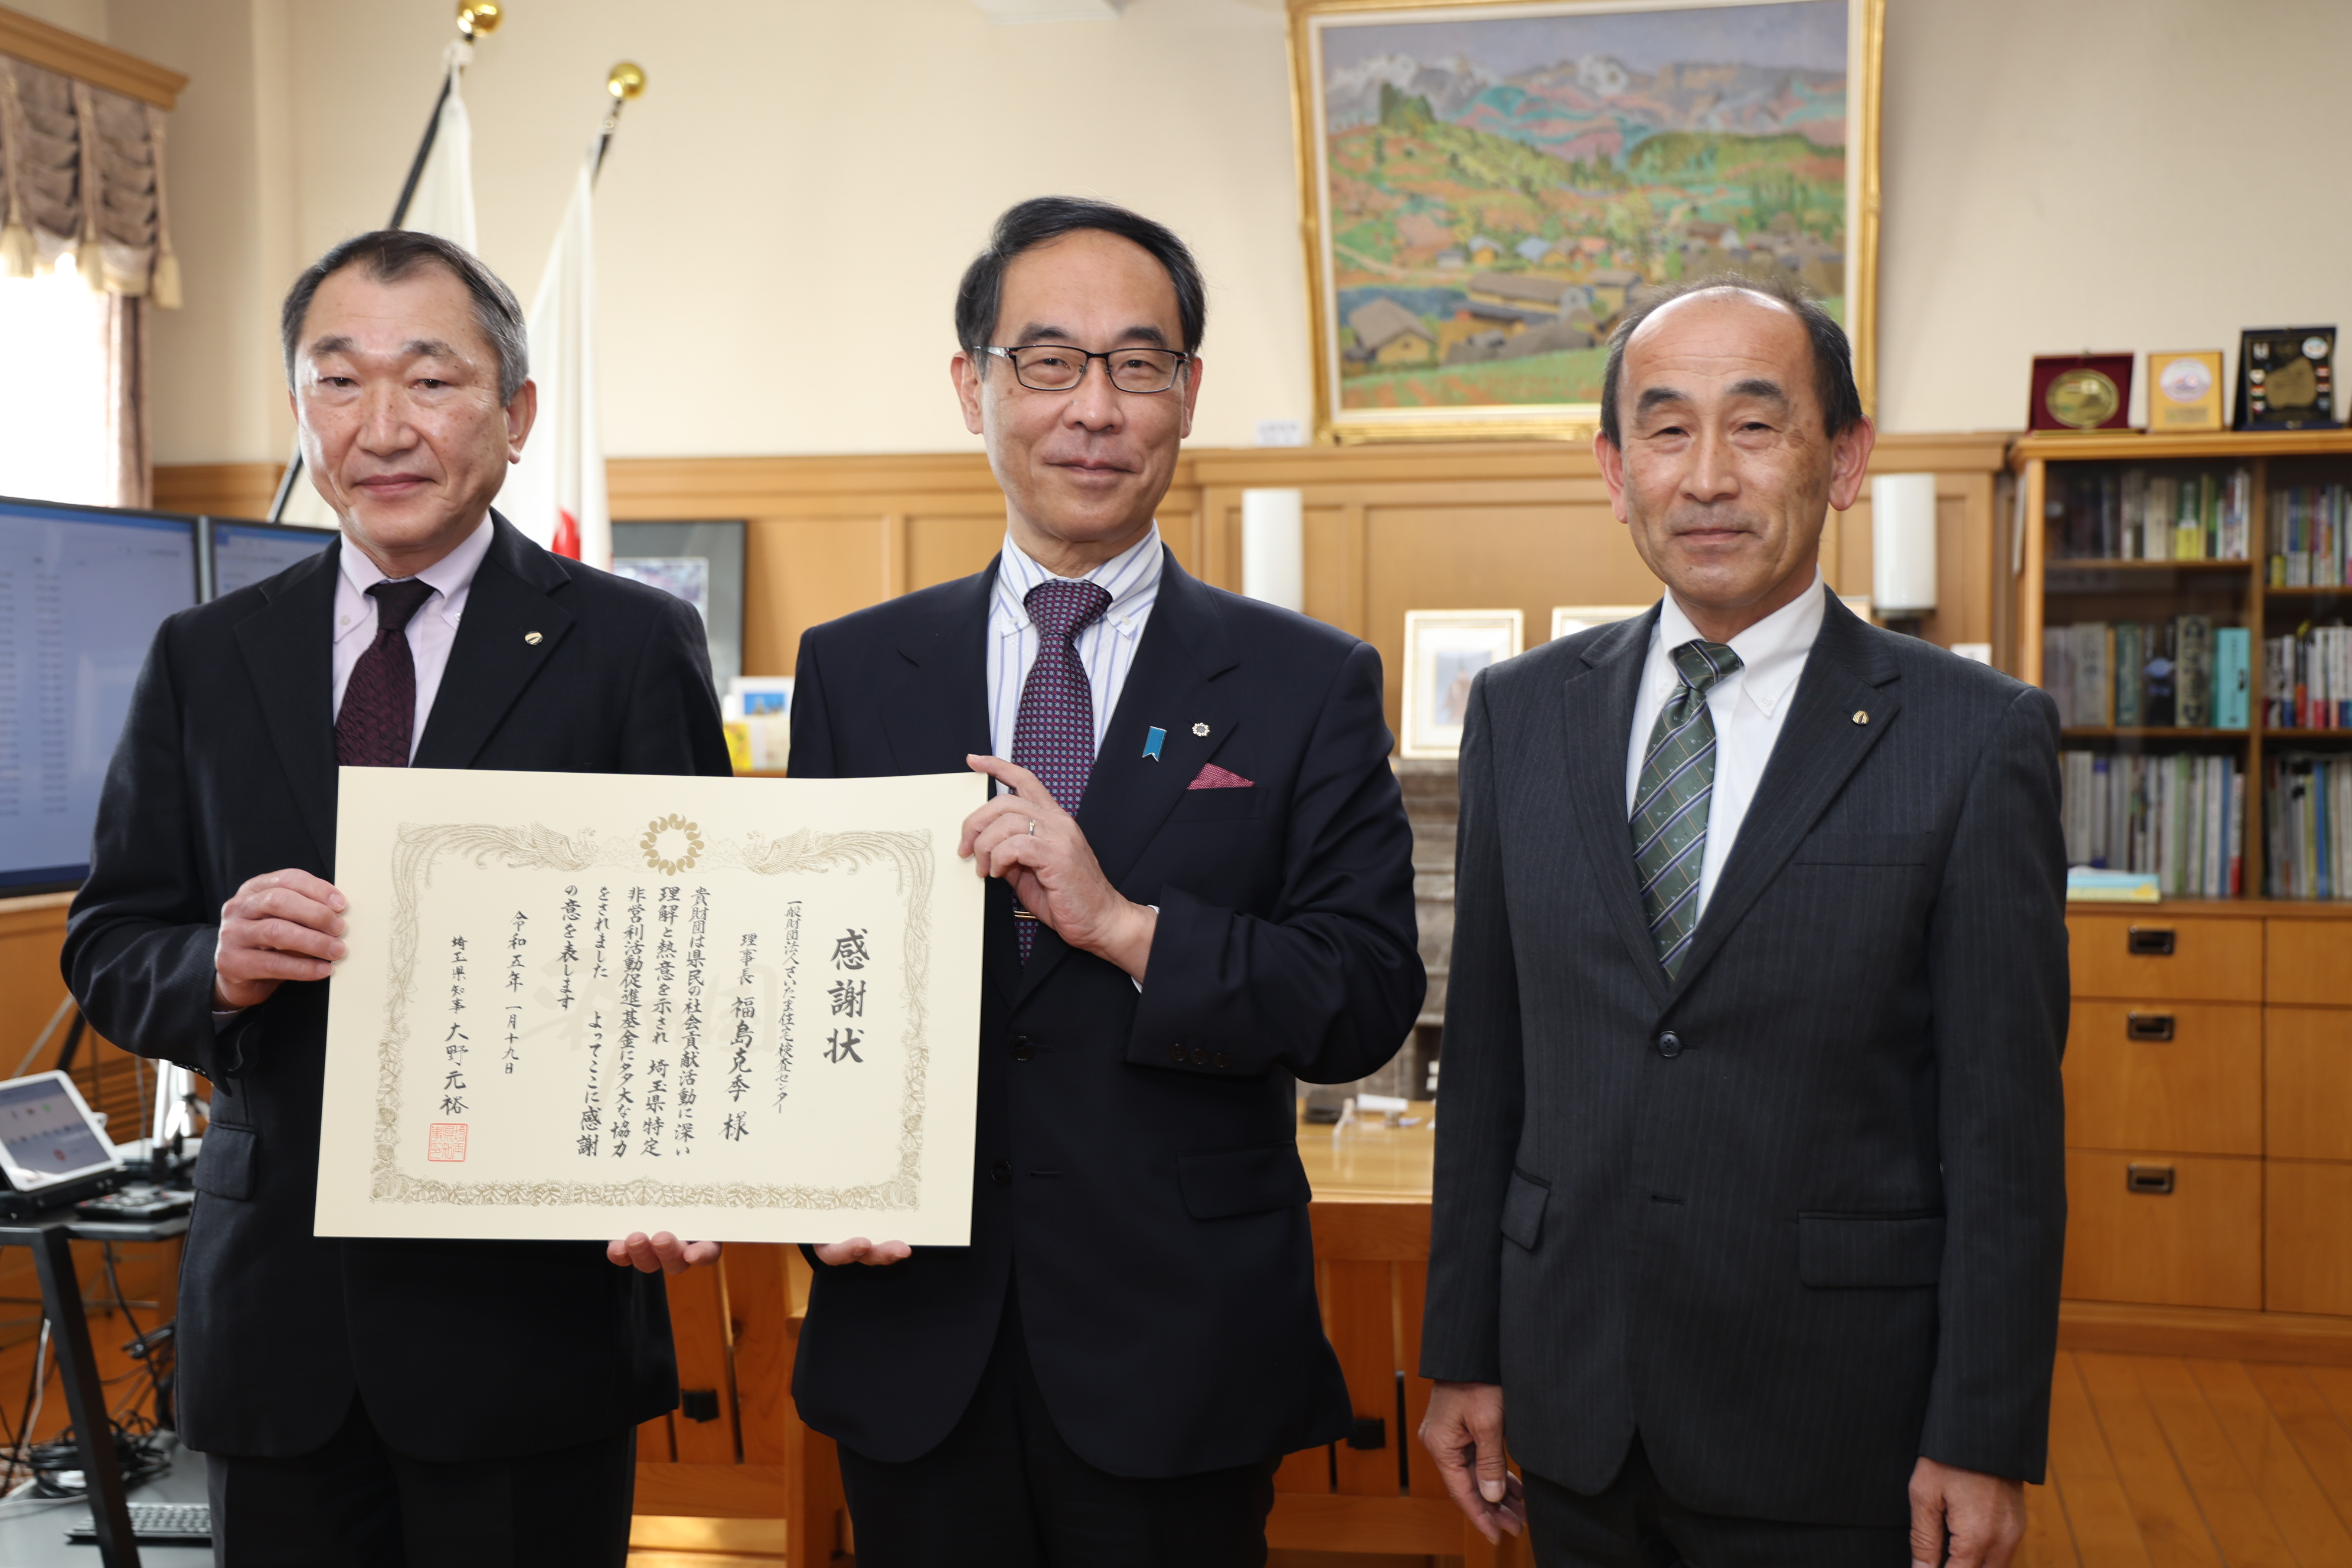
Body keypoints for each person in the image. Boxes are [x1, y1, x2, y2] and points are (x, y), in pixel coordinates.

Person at [63, 230, 731, 1567]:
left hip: (528, 1323)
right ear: (302, 409)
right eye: (338, 381)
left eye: (430, 381)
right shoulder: (205, 652)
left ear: (515, 412)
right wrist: (222, 964)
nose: (383, 427)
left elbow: (699, 949)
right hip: (278, 1316)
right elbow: (112, 941)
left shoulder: (627, 642)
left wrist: (686, 1165)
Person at [785, 195, 1425, 1567]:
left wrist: (1130, 929)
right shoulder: (853, 666)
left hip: (1176, 1348)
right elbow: (798, 981)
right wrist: (807, 1188)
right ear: (975, 388)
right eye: (1049, 361)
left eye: (1138, 364)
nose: (1094, 406)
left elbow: (1365, 993)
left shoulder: (1307, 679)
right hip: (915, 1346)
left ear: (1188, 395)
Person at [1417, 274, 2067, 1568]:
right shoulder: (1519, 715)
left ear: (1845, 459)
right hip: (1576, 1397)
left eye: (1757, 425)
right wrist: (1465, 1355)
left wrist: (1983, 1428)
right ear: (1614, 470)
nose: (1707, 474)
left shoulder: (1973, 735)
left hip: (1835, 1416)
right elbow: (1488, 1067)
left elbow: (2002, 1128)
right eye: (1665, 429)